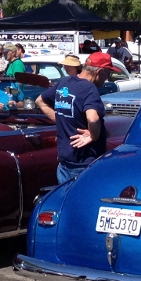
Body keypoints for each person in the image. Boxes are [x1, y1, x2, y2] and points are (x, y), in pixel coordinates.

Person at [52, 51, 112, 183]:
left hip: (64, 162)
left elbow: (40, 100)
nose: (107, 78)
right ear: (99, 72)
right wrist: (93, 136)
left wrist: (62, 121)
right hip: (85, 164)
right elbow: (93, 118)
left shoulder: (64, 82)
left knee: (66, 195)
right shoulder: (89, 89)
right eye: (108, 73)